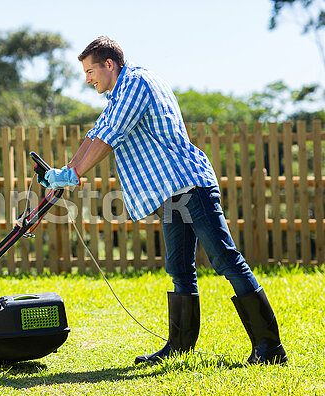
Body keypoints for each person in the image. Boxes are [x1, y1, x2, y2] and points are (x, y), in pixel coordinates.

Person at [42, 36, 287, 365]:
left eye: (90, 71)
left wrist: (72, 175)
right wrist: (66, 171)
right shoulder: (118, 94)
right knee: (179, 269)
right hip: (169, 193)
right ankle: (179, 348)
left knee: (226, 260)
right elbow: (94, 135)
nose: (87, 79)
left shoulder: (136, 84)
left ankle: (270, 349)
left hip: (190, 185)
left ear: (109, 65)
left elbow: (108, 135)